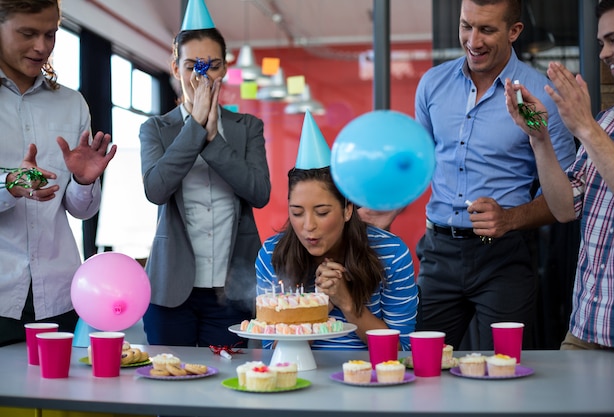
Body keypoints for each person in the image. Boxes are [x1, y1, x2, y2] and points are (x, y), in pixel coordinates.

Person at [395, 0, 577, 350]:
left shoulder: (541, 96)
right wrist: (384, 208)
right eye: (466, 26)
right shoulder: (432, 85)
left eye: (487, 30)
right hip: (439, 253)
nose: (473, 41)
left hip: (505, 258)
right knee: (423, 366)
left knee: (503, 372)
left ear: (514, 31)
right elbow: (418, 166)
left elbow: (568, 197)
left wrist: (510, 218)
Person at [139, 0, 270, 347]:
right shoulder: (156, 129)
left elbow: (259, 192)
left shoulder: (247, 127)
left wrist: (212, 140)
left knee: (229, 385)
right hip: (170, 287)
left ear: (224, 68)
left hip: (232, 289)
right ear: (174, 67)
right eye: (191, 67)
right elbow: (156, 189)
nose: (202, 77)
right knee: (167, 381)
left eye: (211, 66)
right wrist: (195, 128)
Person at [504, 0, 614, 359]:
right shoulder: (610, 122)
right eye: (601, 42)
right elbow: (563, 209)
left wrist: (584, 127)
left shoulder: (595, 127)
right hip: (587, 327)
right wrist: (538, 137)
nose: (604, 53)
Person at [0, 0, 116, 346]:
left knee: (59, 398)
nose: (42, 46)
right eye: (28, 33)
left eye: (50, 34)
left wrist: (84, 180)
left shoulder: (71, 103)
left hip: (60, 295)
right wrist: (10, 185)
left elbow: (82, 211)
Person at [256, 112, 418, 350]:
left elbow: (402, 349)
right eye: (297, 212)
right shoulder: (272, 254)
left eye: (322, 212)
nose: (308, 226)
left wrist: (347, 304)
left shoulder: (391, 253)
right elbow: (276, 351)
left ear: (347, 210)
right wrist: (319, 305)